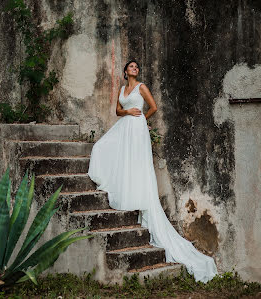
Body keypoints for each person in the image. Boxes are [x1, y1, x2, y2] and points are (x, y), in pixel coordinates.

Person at [88, 60, 218, 283]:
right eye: (132, 67)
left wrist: (141, 120)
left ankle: (139, 198)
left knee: (137, 162)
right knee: (102, 148)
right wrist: (128, 112)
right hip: (125, 125)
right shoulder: (122, 89)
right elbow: (118, 111)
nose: (135, 69)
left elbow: (154, 107)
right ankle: (123, 190)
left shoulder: (142, 87)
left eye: (137, 67)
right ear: (125, 71)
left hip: (137, 129)